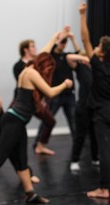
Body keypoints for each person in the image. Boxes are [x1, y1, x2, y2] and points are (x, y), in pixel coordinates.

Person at [0, 52, 73, 204]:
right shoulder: (32, 72)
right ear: (43, 63)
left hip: (18, 122)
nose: (48, 71)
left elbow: (45, 54)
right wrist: (66, 84)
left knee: (22, 160)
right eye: (48, 67)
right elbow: (50, 92)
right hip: (13, 121)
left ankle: (30, 194)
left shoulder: (28, 70)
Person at [79, 2, 110, 198]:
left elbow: (84, 39)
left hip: (103, 112)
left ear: (103, 52)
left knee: (104, 150)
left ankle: (104, 189)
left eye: (99, 46)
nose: (95, 47)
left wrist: (82, 15)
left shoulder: (97, 64)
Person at [32, 26, 80, 155]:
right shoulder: (51, 56)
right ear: (57, 43)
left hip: (69, 95)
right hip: (55, 94)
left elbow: (79, 56)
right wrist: (60, 36)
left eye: (65, 43)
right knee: (48, 119)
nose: (64, 45)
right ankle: (38, 143)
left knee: (74, 121)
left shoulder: (67, 56)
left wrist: (73, 39)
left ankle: (78, 146)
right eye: (62, 42)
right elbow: (45, 52)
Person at [66, 53, 98, 171]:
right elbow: (69, 57)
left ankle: (95, 158)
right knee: (80, 135)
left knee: (95, 134)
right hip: (83, 106)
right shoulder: (81, 68)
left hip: (95, 106)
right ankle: (74, 160)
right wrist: (83, 58)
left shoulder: (96, 69)